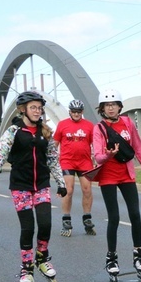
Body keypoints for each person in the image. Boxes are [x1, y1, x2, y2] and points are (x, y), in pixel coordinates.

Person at [0, 91, 67, 282]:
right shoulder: (13, 131)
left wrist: (61, 183)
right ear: (23, 110)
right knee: (28, 228)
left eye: (39, 108)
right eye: (33, 107)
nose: (37, 111)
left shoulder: (45, 132)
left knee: (45, 223)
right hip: (20, 186)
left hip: (42, 185)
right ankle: (27, 268)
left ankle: (42, 256)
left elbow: (53, 159)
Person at [91, 89, 141, 282]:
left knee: (135, 214)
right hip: (108, 177)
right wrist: (109, 154)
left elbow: (137, 148)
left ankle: (139, 254)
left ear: (120, 106)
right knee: (114, 217)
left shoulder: (128, 123)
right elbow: (98, 156)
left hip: (127, 175)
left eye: (114, 104)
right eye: (107, 105)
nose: (111, 108)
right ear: (102, 108)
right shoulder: (99, 129)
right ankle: (111, 257)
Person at [54, 99, 96, 237]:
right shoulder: (62, 125)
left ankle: (87, 218)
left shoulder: (89, 126)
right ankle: (66, 219)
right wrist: (50, 160)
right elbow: (54, 144)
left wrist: (97, 158)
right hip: (67, 161)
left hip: (84, 162)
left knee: (87, 189)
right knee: (69, 189)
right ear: (70, 112)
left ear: (82, 112)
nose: (76, 114)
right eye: (74, 112)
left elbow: (95, 144)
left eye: (78, 112)